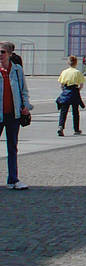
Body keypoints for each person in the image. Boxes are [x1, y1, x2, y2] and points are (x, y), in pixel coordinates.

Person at [1, 42, 32, 190]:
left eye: (2, 52)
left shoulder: (17, 70)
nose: (0, 55)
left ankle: (13, 179)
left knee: (12, 147)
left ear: (10, 54)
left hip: (13, 115)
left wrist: (26, 105)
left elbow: (23, 90)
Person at [56, 55, 86, 136]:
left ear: (68, 62)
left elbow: (61, 85)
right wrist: (77, 90)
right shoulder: (78, 72)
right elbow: (81, 85)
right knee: (75, 112)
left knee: (63, 111)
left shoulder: (64, 72)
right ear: (76, 63)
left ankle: (60, 126)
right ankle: (76, 129)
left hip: (66, 91)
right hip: (75, 92)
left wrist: (65, 91)